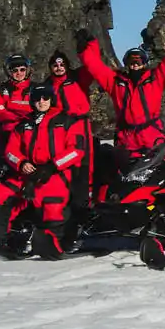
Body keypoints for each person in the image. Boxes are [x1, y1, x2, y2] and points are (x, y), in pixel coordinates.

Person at [0, 83, 85, 258]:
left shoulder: (66, 121)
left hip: (55, 174)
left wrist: (52, 166)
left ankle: (52, 243)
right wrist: (22, 163)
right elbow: (10, 151)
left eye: (45, 98)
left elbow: (76, 150)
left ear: (51, 99)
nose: (41, 101)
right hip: (27, 174)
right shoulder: (24, 124)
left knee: (52, 205)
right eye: (37, 98)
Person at [76, 28, 165, 156]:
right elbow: (95, 66)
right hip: (126, 140)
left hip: (153, 137)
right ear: (127, 63)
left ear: (144, 63)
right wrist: (85, 49)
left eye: (139, 61)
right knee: (125, 173)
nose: (135, 64)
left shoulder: (154, 80)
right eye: (132, 61)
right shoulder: (115, 82)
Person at [45, 49, 95, 209]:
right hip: (60, 127)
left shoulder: (78, 77)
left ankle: (86, 197)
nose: (59, 67)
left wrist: (87, 46)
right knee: (64, 160)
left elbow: (92, 65)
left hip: (80, 125)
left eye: (62, 64)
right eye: (55, 65)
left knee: (85, 162)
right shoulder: (47, 84)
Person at [0, 54, 35, 157]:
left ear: (27, 70)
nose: (19, 73)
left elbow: (42, 108)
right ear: (9, 72)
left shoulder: (35, 88)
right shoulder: (1, 90)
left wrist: (10, 107)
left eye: (22, 70)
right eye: (15, 70)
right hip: (7, 133)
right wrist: (21, 115)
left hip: (31, 133)